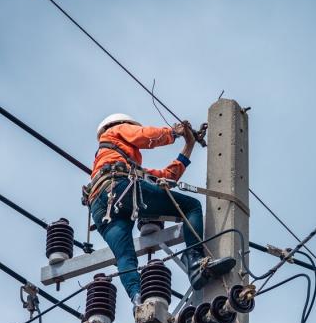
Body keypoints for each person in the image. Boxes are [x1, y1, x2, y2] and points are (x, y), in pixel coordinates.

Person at [86, 113, 235, 303]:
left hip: (99, 207)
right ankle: (196, 263)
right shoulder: (115, 130)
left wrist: (188, 145)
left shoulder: (114, 164)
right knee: (191, 207)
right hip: (119, 187)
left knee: (125, 257)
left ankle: (137, 298)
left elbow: (167, 176)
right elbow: (143, 135)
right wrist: (174, 132)